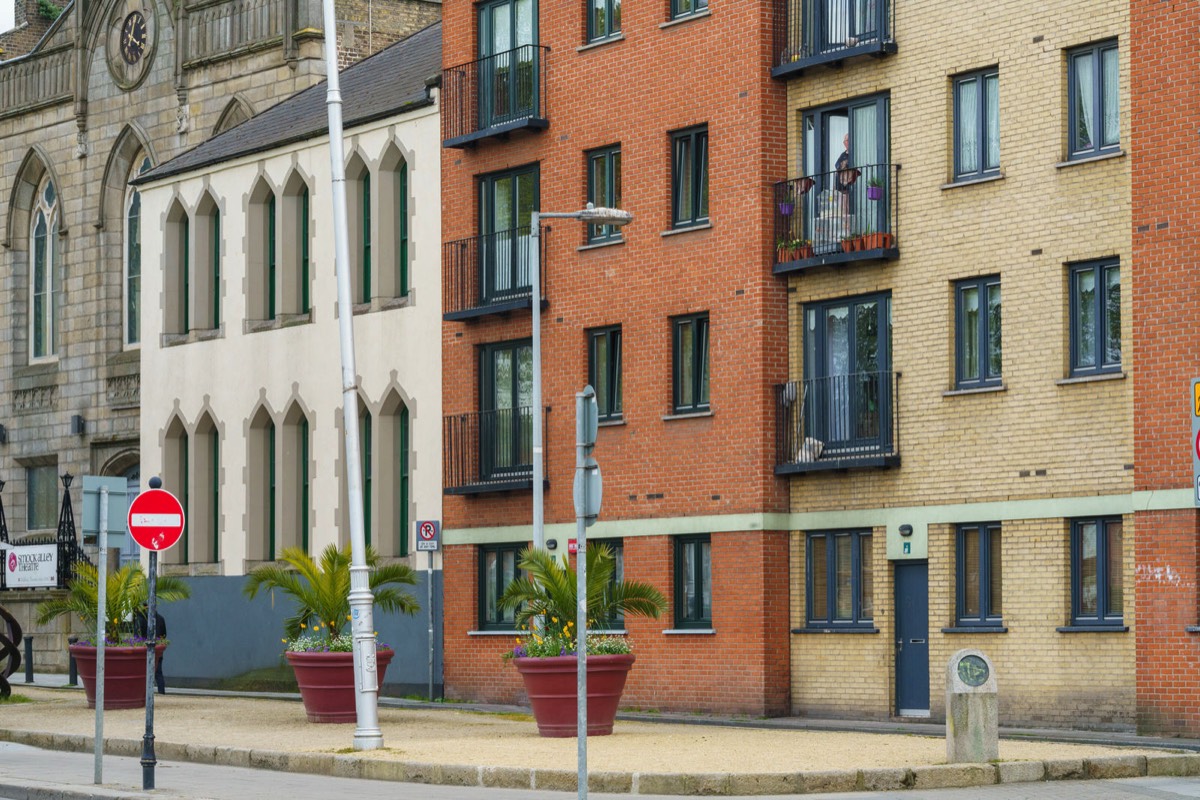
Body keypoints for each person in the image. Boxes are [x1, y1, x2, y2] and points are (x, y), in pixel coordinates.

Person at [134, 607, 167, 695]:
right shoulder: (160, 618)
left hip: (145, 649)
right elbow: (164, 634)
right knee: (158, 672)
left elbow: (138, 635)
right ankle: (161, 692)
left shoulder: (141, 619)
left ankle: (143, 692)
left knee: (144, 672)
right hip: (157, 649)